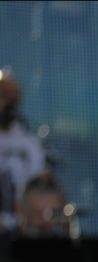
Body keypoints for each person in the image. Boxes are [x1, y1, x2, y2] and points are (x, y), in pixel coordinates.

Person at [0, 69, 47, 235]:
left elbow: (38, 186)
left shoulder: (30, 144)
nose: (8, 103)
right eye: (3, 96)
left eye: (12, 98)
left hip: (22, 231)